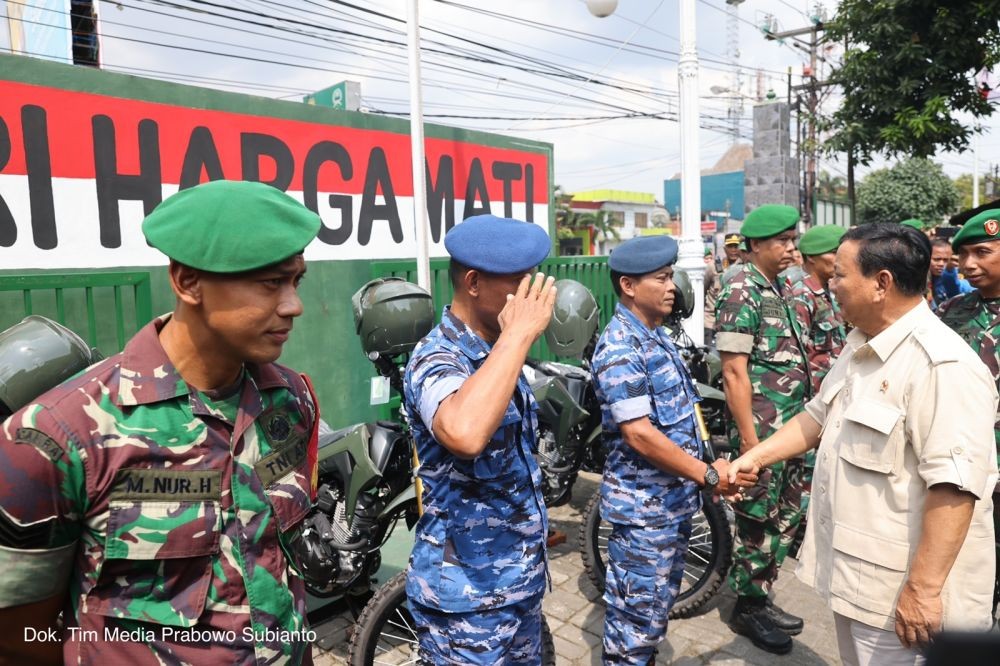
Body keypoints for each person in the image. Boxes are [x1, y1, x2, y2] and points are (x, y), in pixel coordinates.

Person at [0, 180, 323, 663]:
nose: (292, 304)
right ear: (188, 282)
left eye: (296, 281)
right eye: (269, 282)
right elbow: (19, 635)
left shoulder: (292, 400)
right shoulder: (60, 436)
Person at [727, 222, 998, 666]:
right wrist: (751, 458)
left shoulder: (943, 366)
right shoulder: (863, 344)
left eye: (840, 275)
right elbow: (818, 416)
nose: (829, 285)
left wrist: (923, 591)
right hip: (859, 583)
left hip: (901, 598)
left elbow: (955, 488)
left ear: (881, 284)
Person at [591, 235, 754, 664]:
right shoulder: (620, 346)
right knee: (633, 630)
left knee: (655, 616)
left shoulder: (655, 336)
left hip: (675, 505)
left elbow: (684, 415)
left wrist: (709, 464)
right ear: (628, 285)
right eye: (662, 278)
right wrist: (708, 475)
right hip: (645, 516)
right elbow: (640, 434)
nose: (672, 287)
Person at [403, 214, 555, 664]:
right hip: (466, 600)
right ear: (473, 282)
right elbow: (464, 433)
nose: (531, 293)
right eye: (520, 280)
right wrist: (521, 333)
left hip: (518, 584)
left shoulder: (496, 351)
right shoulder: (437, 356)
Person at [715, 204, 812, 655]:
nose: (792, 248)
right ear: (755, 246)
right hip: (762, 433)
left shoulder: (777, 285)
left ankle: (760, 593)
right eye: (783, 242)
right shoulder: (739, 288)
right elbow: (734, 372)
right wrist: (750, 446)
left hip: (791, 428)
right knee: (757, 521)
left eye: (794, 240)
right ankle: (746, 608)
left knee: (785, 517)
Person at [936, 209, 1000, 623]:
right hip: (966, 469)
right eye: (963, 255)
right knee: (966, 587)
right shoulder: (952, 311)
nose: (969, 265)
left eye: (982, 252)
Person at [786, 225, 849, 558]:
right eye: (833, 255)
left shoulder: (827, 291)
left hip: (828, 396)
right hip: (810, 400)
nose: (838, 261)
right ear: (812, 258)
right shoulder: (800, 294)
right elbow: (800, 351)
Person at [929, 238, 974, 307]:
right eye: (936, 259)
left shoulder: (957, 278)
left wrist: (949, 270)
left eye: (946, 260)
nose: (941, 264)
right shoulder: (918, 280)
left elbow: (954, 287)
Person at [704, 248, 720, 344]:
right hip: (710, 321)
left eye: (710, 258)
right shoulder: (712, 267)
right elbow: (702, 291)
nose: (708, 260)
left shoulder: (743, 266)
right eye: (706, 258)